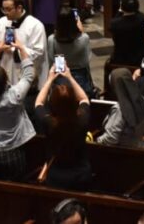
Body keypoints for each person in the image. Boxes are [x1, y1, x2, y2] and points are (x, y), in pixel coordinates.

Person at [0, 37, 36, 181]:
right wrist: (21, 48)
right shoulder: (13, 97)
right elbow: (29, 75)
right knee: (14, 188)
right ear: (6, 83)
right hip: (12, 151)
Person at [34, 60, 92, 189]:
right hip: (80, 174)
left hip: (56, 175)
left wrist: (49, 79)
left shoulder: (49, 122)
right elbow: (84, 99)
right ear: (73, 102)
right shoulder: (82, 119)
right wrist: (69, 77)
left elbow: (38, 103)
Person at [48, 7, 93, 97]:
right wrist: (81, 33)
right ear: (74, 22)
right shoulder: (84, 38)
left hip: (61, 76)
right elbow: (86, 61)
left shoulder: (52, 39)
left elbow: (52, 61)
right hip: (80, 78)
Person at [100, 67, 144, 148]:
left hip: (121, 152)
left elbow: (110, 138)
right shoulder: (142, 100)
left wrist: (97, 141)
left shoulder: (120, 109)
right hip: (139, 149)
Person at [109, 0, 144, 65]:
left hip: (120, 58)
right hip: (140, 57)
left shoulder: (115, 23)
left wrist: (120, 10)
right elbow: (139, 14)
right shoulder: (143, 18)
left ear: (121, 6)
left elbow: (115, 20)